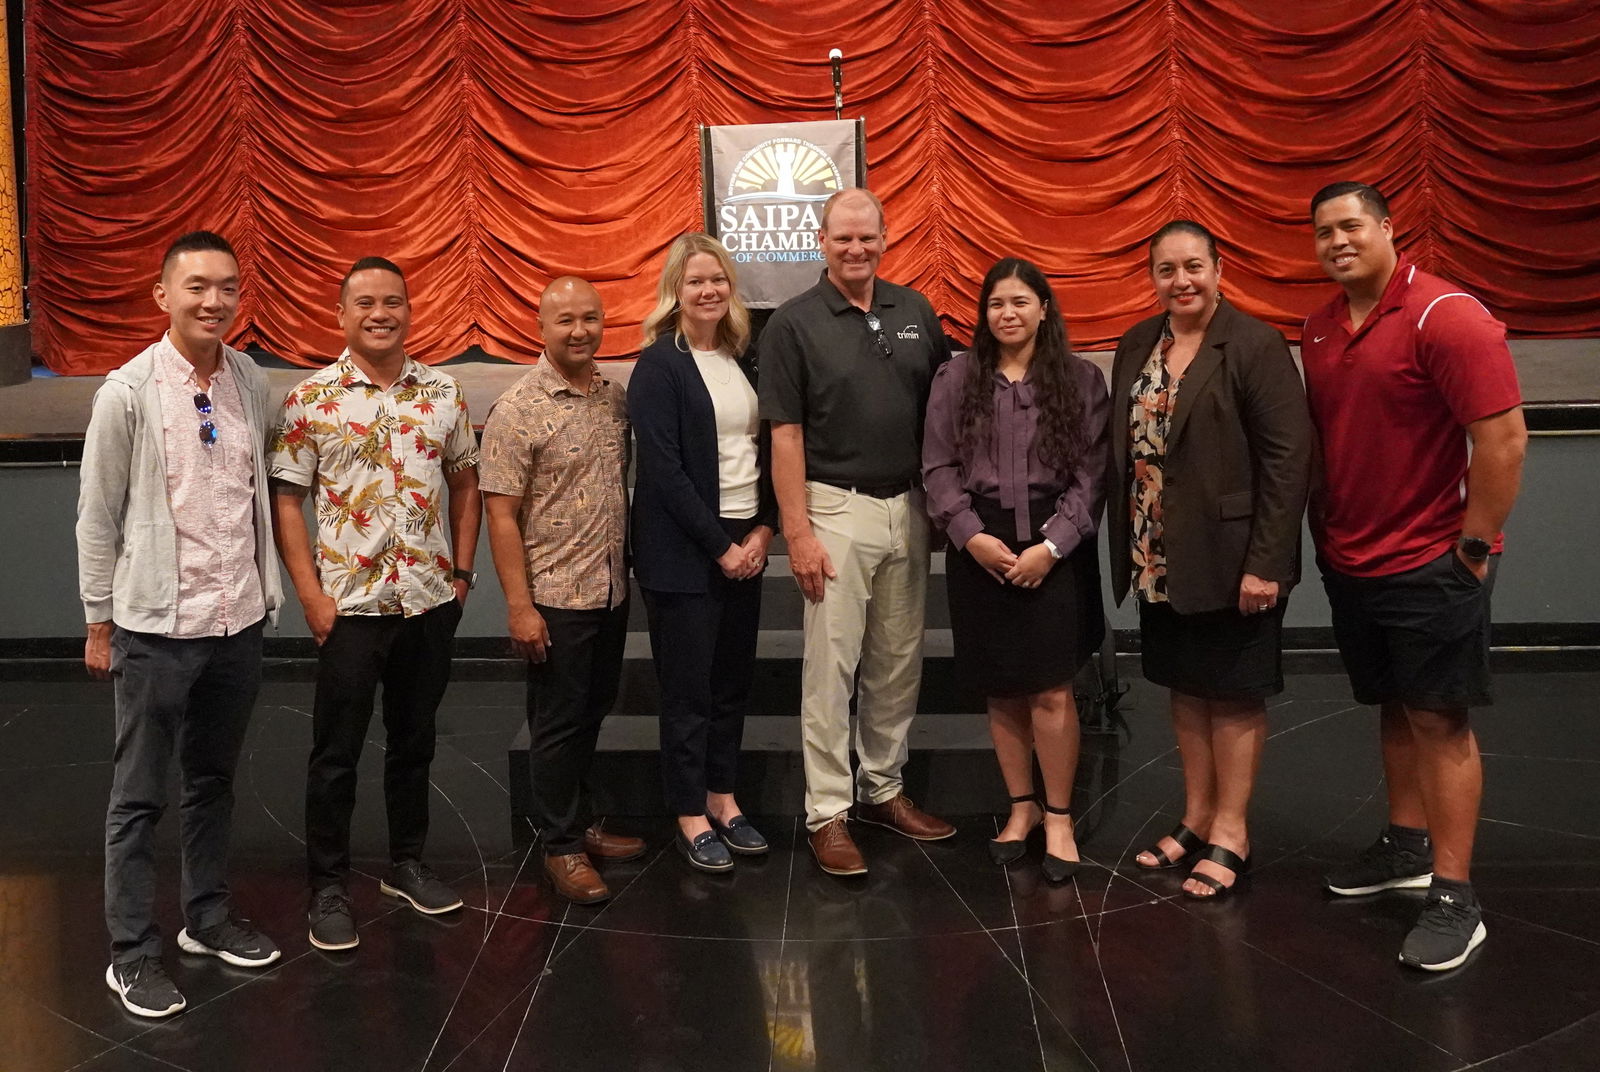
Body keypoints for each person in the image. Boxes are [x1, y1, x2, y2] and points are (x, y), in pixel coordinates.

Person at [1304, 182, 1525, 970]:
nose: (1337, 241)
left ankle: (1457, 897)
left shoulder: (1445, 315)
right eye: (1323, 231)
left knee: (1440, 723)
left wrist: (1470, 548)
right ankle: (1406, 847)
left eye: (1351, 225)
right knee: (1394, 706)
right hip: (1354, 559)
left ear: (1389, 228)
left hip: (1433, 561)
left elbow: (1502, 440)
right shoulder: (1321, 327)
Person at [78, 230, 284, 1018]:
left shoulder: (248, 380)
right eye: (197, 286)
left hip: (235, 623)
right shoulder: (126, 393)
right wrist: (101, 623)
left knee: (214, 782)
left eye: (227, 287)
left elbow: (250, 496)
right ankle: (130, 953)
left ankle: (207, 917)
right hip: (157, 629)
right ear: (162, 295)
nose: (214, 301)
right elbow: (97, 521)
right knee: (137, 799)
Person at [269, 256, 481, 950]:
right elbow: (287, 501)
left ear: (409, 309)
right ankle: (327, 886)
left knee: (414, 743)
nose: (380, 313)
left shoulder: (445, 394)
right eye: (365, 302)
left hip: (426, 602)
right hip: (350, 610)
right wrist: (310, 595)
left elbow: (466, 484)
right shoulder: (309, 400)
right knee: (336, 753)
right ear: (341, 314)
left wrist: (462, 574)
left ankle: (408, 864)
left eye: (393, 301)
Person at [1107, 220, 1312, 900]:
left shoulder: (1252, 345)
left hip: (1233, 559)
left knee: (1231, 694)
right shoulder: (1140, 342)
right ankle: (1196, 817)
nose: (1181, 281)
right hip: (1157, 554)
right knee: (1187, 689)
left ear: (1220, 267)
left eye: (1193, 266)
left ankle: (1232, 830)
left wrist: (1268, 564)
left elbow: (1289, 461)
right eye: (1167, 270)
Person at [759, 187, 956, 877]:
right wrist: (798, 533)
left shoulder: (915, 311)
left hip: (910, 508)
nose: (856, 249)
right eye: (843, 238)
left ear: (884, 238)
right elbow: (784, 436)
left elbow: (945, 407)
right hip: (833, 510)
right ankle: (828, 812)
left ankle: (885, 789)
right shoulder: (792, 324)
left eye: (867, 237)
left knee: (899, 661)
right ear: (821, 240)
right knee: (831, 668)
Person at [922, 257, 1110, 882]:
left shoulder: (1080, 380)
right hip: (979, 547)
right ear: (984, 313)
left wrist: (1052, 547)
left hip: (1053, 550)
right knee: (1001, 689)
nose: (1007, 313)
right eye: (996, 303)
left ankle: (1059, 816)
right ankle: (1021, 809)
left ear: (1043, 309)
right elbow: (939, 468)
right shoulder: (956, 377)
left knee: (1052, 690)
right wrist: (970, 536)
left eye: (1020, 302)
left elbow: (1091, 475)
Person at [480, 276, 645, 904]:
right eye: (565, 320)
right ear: (541, 327)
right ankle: (561, 847)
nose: (579, 331)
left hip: (609, 591)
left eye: (590, 319)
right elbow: (501, 516)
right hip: (553, 596)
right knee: (555, 724)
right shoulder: (518, 409)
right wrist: (519, 608)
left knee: (592, 712)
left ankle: (582, 822)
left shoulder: (614, 398)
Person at [631, 235, 776, 872]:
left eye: (717, 279)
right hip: (687, 553)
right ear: (675, 292)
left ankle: (723, 796)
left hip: (745, 542)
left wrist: (763, 532)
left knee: (730, 685)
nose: (708, 290)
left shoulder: (745, 359)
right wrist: (721, 547)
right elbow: (663, 472)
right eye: (695, 282)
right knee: (687, 692)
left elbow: (764, 452)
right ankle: (689, 809)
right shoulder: (659, 366)